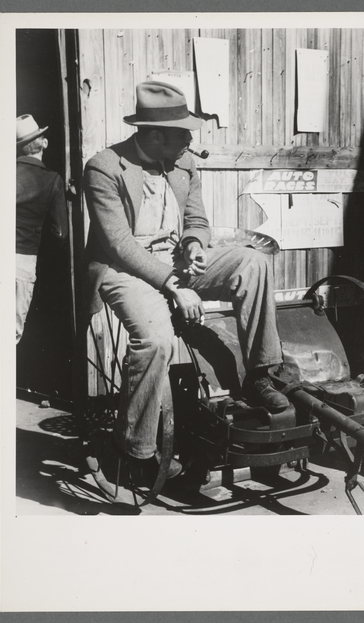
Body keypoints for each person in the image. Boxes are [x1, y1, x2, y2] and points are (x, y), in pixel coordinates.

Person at [83, 81, 289, 480]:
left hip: (175, 259)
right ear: (155, 135)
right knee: (156, 339)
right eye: (183, 133)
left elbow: (197, 221)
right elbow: (119, 244)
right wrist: (174, 286)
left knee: (253, 262)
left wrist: (195, 245)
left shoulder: (185, 164)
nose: (190, 140)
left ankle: (261, 375)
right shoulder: (104, 168)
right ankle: (133, 452)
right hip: (124, 268)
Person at [16, 114, 68, 344]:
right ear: (44, 143)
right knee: (10, 333)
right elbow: (60, 233)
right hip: (23, 261)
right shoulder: (52, 180)